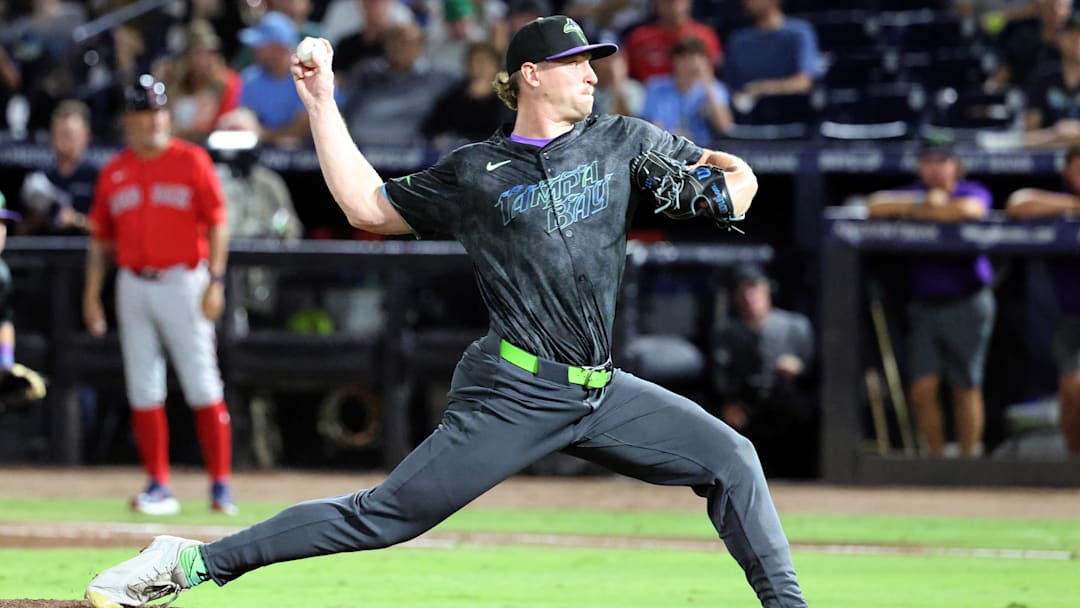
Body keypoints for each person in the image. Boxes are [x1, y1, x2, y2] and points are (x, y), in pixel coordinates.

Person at [85, 16, 808, 608]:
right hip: (514, 389)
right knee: (385, 516)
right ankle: (189, 562)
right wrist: (320, 104)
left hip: (599, 389)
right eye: (576, 61)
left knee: (731, 458)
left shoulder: (623, 141)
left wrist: (733, 174)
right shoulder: (475, 171)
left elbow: (725, 193)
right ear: (531, 74)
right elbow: (367, 208)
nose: (593, 73)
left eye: (594, 60)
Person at [81, 75, 237, 517]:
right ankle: (158, 483)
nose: (154, 120)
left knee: (202, 382)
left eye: (159, 111)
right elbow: (100, 240)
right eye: (145, 112)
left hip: (184, 280)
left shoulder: (192, 160)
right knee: (143, 388)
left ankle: (221, 485)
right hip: (133, 282)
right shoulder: (114, 170)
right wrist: (92, 295)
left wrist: (217, 280)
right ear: (128, 120)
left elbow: (218, 222)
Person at [866, 138, 995, 458]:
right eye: (929, 162)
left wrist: (928, 208)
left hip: (969, 300)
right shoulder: (914, 193)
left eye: (942, 162)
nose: (935, 169)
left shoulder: (971, 190)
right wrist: (926, 204)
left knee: (966, 387)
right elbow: (875, 205)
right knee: (922, 389)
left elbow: (970, 211)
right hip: (925, 305)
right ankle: (936, 462)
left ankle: (967, 462)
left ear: (956, 166)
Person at [1005, 144, 1080, 455]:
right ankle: (1073, 466)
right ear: (1067, 171)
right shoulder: (1058, 199)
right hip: (1071, 319)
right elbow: (1017, 204)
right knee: (1070, 391)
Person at [712, 265, 817, 478]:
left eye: (755, 289)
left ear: (767, 290)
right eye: (743, 291)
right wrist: (729, 403)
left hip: (787, 408)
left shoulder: (795, 326)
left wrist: (798, 369)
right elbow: (718, 375)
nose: (750, 296)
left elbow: (817, 371)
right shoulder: (727, 332)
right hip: (748, 410)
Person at [17, 100, 97, 236]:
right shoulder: (38, 179)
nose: (63, 143)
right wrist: (38, 216)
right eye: (59, 135)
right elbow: (18, 231)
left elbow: (109, 229)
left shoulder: (98, 177)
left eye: (70, 135)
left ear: (86, 137)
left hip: (84, 252)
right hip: (42, 254)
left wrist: (75, 220)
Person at [723, 0, 819, 110]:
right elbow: (730, 88)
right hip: (749, 119)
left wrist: (762, 89)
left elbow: (804, 82)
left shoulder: (800, 33)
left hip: (793, 113)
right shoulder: (737, 41)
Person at [0, 191, 47, 412]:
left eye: (2, 224)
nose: (0, 232)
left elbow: (4, 320)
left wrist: (5, 365)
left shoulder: (1, 274)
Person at [640, 35, 733, 143]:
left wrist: (708, 86)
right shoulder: (656, 87)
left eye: (697, 57)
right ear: (674, 61)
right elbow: (651, 125)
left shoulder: (715, 88)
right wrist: (673, 136)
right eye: (684, 58)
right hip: (665, 148)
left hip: (703, 151)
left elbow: (724, 127)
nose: (691, 63)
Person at [1025, 7, 1080, 147]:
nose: (1077, 41)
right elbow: (1028, 135)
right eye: (1072, 34)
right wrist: (1055, 134)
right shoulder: (1044, 77)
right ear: (1060, 39)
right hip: (1049, 159)